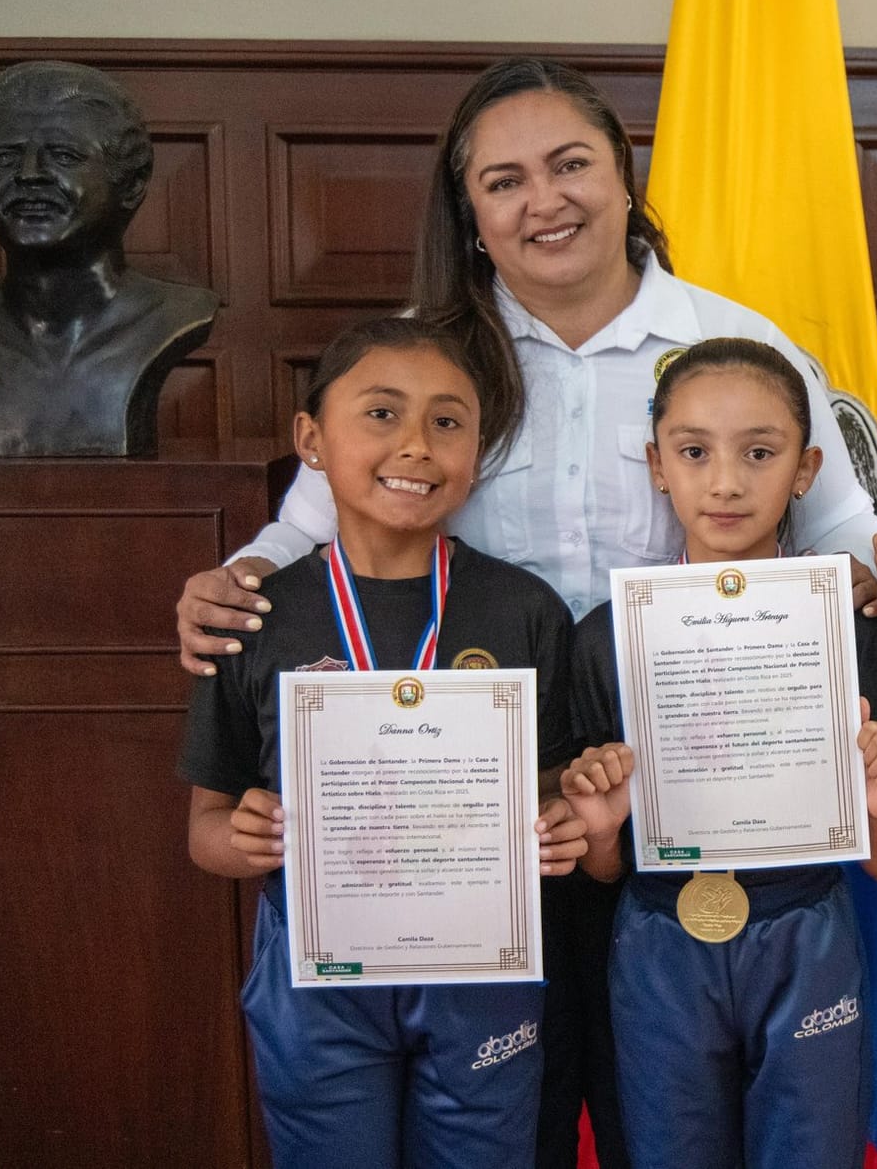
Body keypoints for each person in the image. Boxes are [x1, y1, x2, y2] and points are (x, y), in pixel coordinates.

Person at [168, 57, 877, 1169]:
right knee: (522, 1123)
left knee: (678, 1130)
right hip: (487, 815)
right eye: (502, 180)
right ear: (469, 212)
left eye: (569, 165)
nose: (541, 199)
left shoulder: (741, 344)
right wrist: (235, 577)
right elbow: (308, 524)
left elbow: (844, 547)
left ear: (622, 174)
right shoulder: (429, 361)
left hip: (683, 800)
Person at [177, 316, 592, 1167]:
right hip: (318, 978)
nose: (416, 445)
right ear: (312, 440)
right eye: (381, 414)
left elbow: (559, 797)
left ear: (479, 448)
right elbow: (206, 829)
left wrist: (561, 827)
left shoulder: (523, 609)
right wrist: (244, 837)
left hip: (485, 972)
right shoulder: (254, 618)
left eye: (448, 421)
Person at [558, 337, 877, 1169]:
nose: (725, 482)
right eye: (695, 452)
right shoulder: (604, 637)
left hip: (807, 930)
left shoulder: (849, 624)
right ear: (659, 465)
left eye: (759, 453)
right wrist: (601, 829)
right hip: (658, 938)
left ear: (804, 470)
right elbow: (603, 872)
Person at [0, 60, 218, 456]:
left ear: (132, 185)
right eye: (4, 157)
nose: (29, 174)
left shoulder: (180, 312)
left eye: (64, 156)